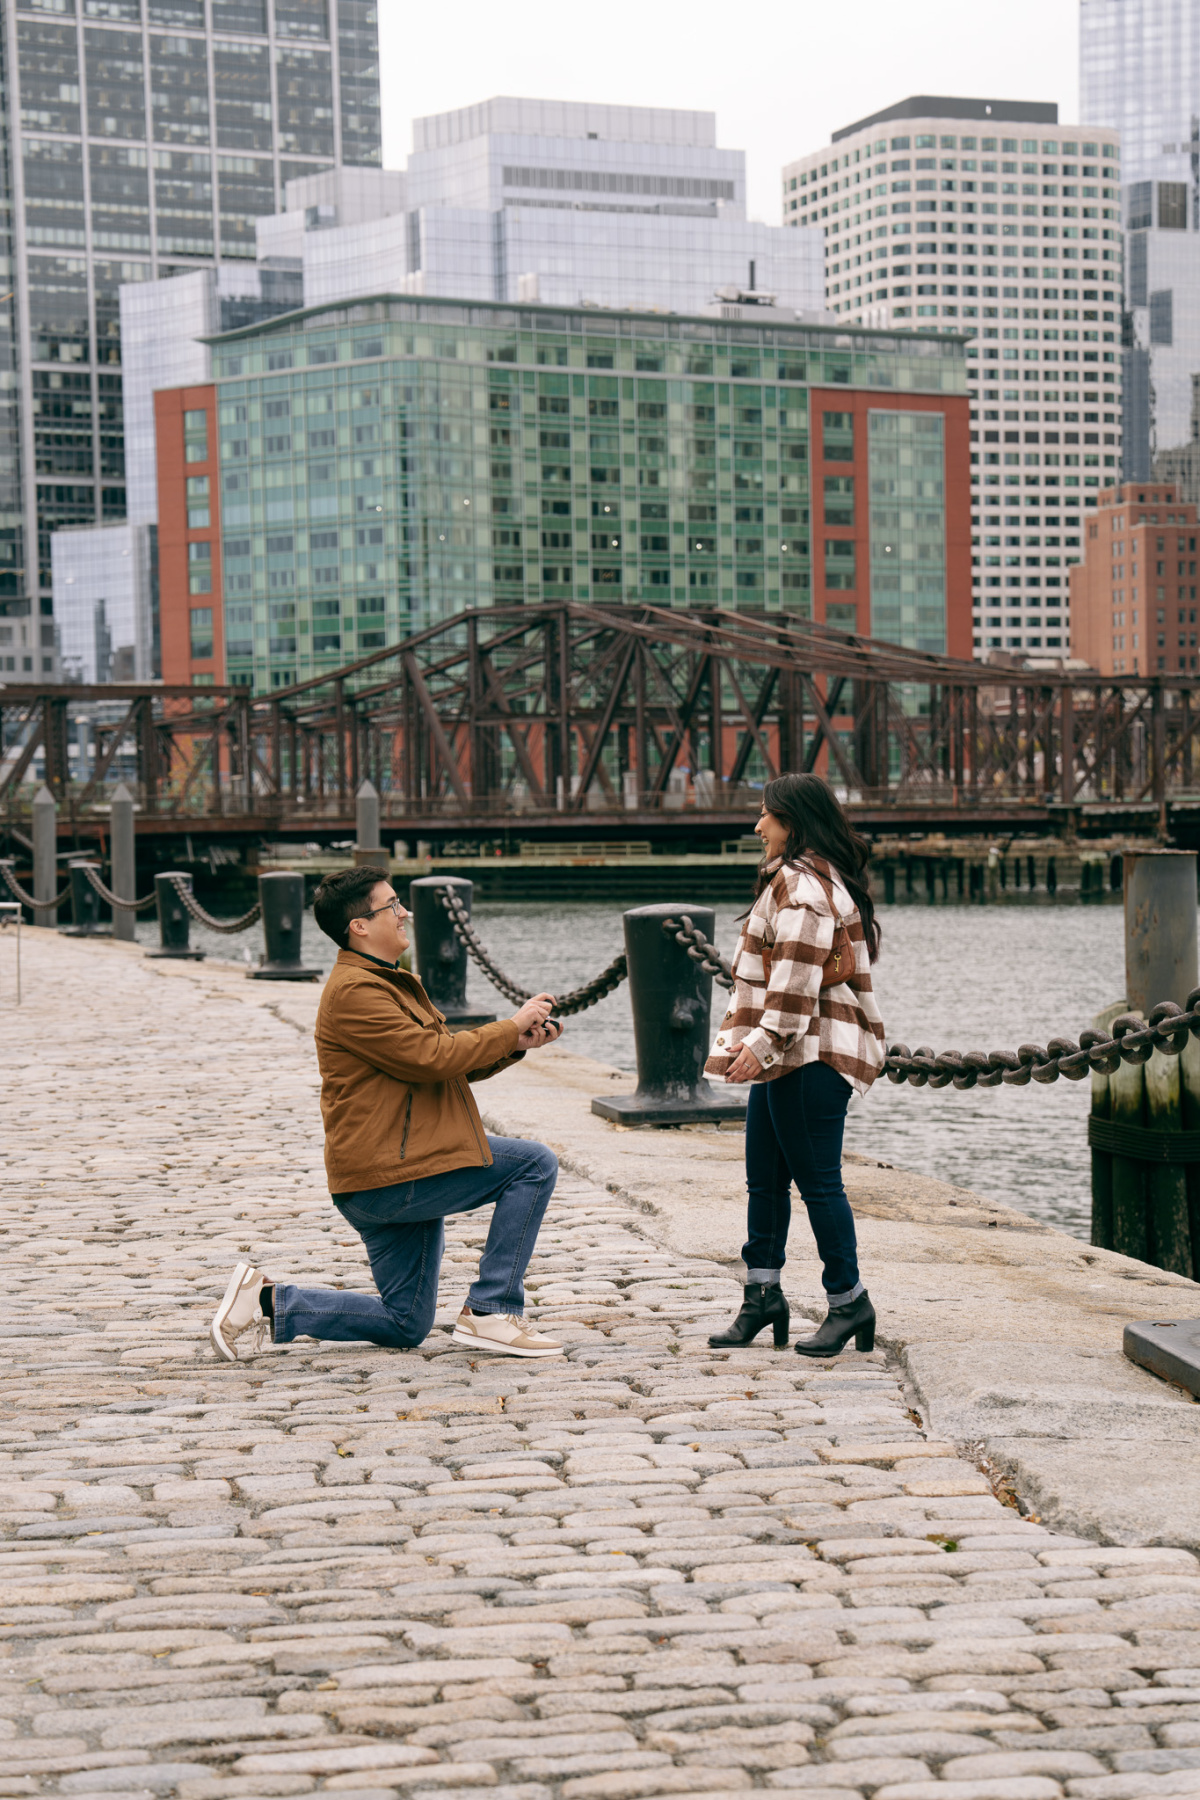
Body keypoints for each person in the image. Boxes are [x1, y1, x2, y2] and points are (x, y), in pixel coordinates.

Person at [209, 866, 567, 1362]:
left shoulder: (387, 983)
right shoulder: (356, 993)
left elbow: (437, 1064)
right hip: (391, 1174)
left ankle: (268, 1302)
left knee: (405, 1323)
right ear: (360, 925)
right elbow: (432, 1057)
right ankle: (491, 1309)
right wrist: (508, 1026)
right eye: (392, 905)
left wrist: (514, 1045)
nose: (405, 913)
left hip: (393, 1169)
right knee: (534, 1164)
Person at [704, 773, 886, 1357]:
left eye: (767, 816)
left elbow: (793, 989)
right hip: (786, 1057)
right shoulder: (795, 880)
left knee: (819, 1184)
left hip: (811, 1057)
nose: (758, 826)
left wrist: (755, 1049)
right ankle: (762, 1297)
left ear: (794, 822)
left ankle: (848, 1302)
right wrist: (754, 1050)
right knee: (766, 1181)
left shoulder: (804, 889)